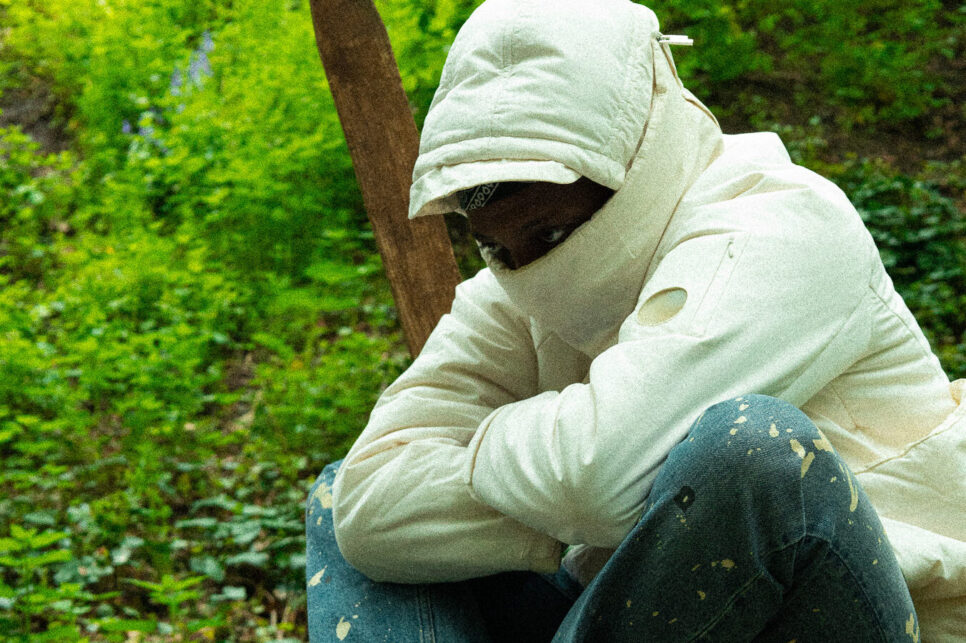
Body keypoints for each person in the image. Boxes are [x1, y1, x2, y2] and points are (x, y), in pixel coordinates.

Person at [305, 0, 966, 640]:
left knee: (752, 449)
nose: (527, 266)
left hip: (861, 612)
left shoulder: (786, 224)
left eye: (550, 232)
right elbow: (370, 508)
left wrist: (492, 451)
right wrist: (568, 477)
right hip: (637, 610)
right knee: (340, 497)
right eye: (499, 248)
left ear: (636, 159)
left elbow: (597, 476)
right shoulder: (514, 288)